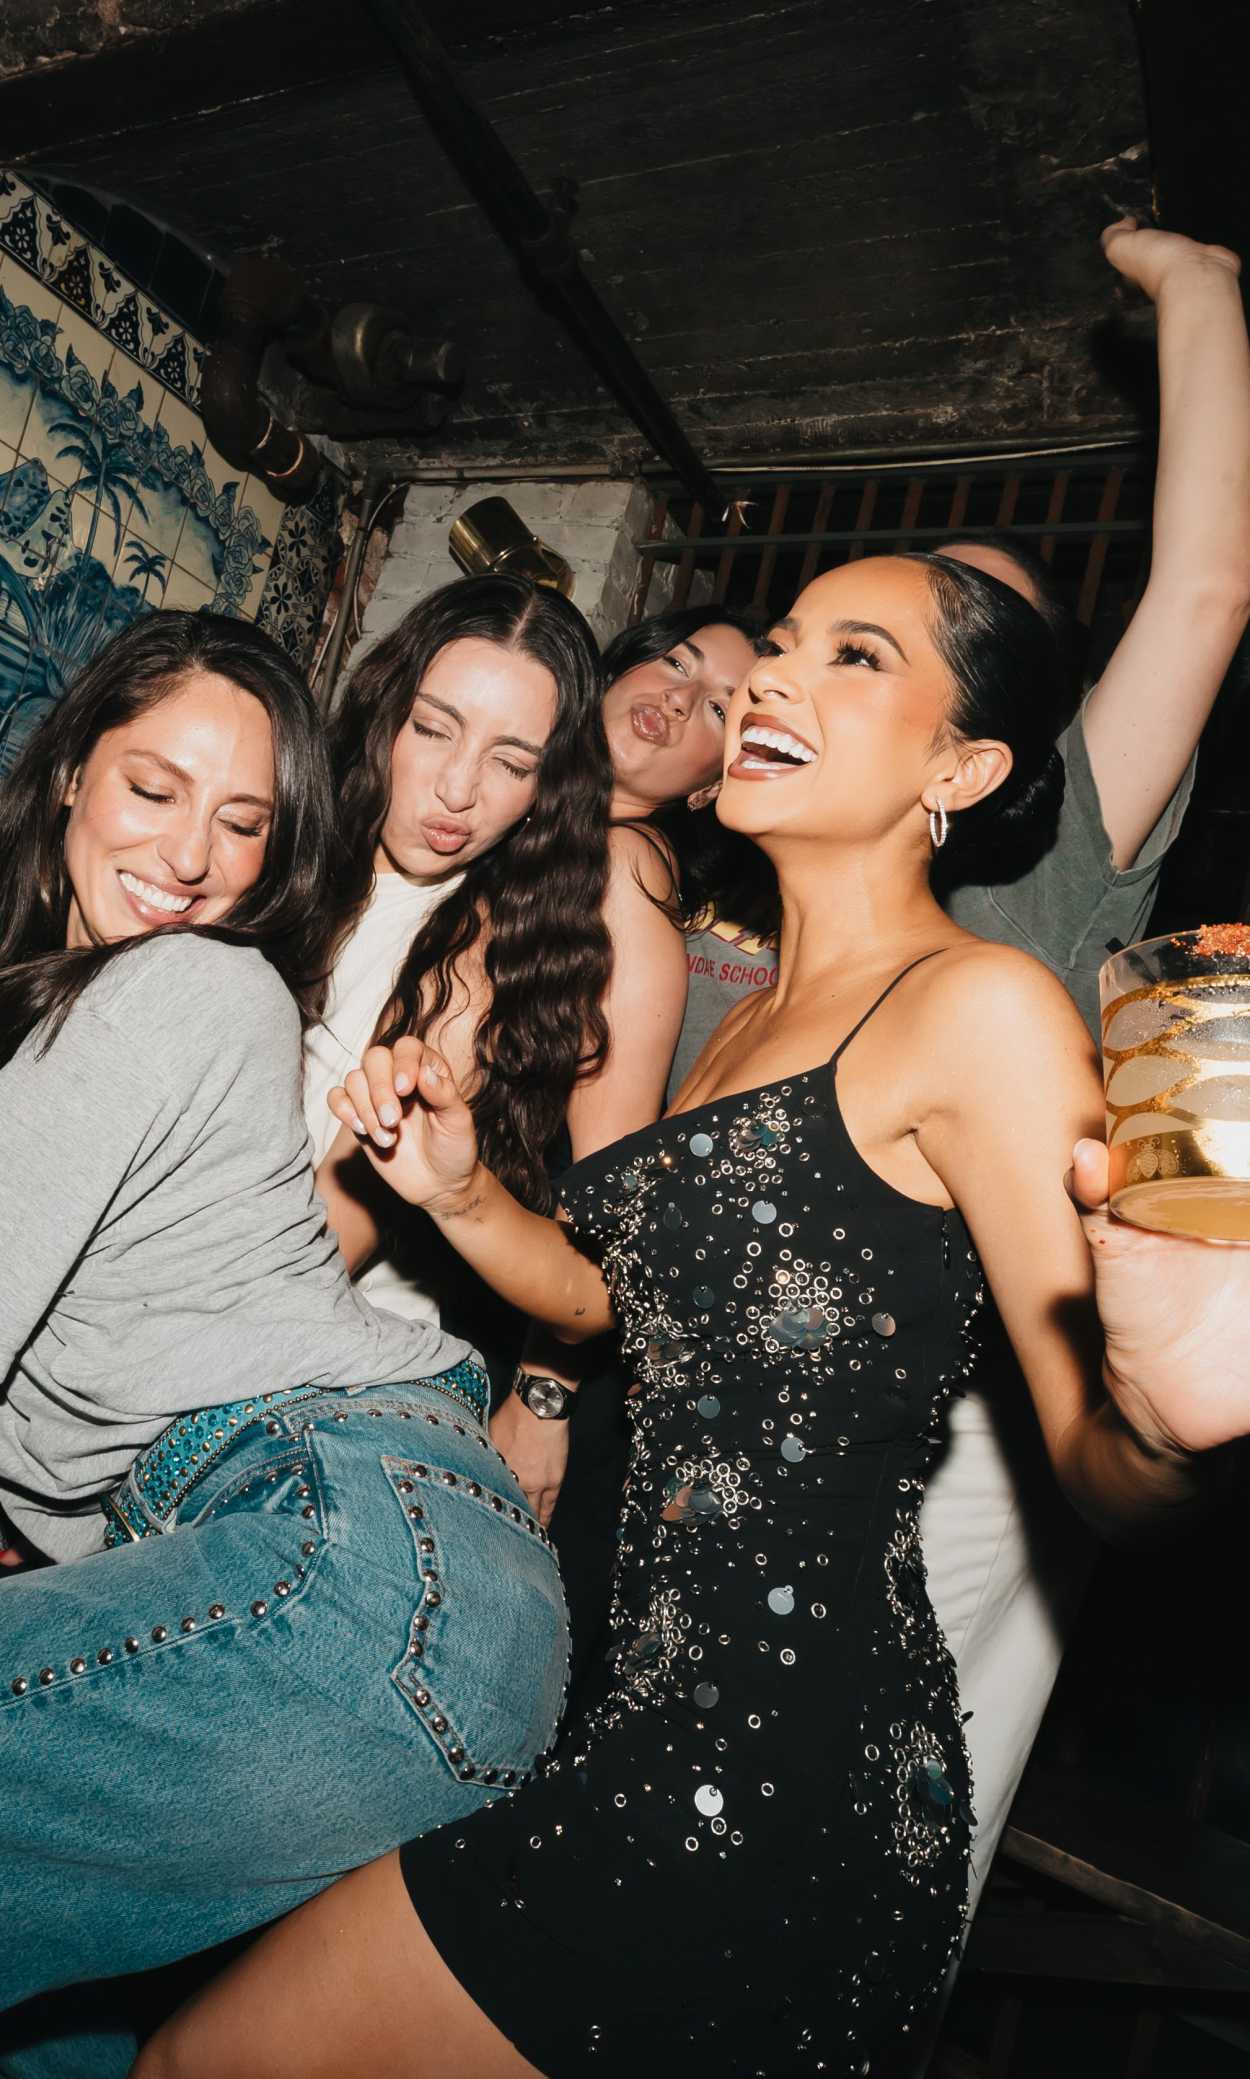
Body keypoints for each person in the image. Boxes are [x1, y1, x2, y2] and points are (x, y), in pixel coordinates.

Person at [137, 551, 1250, 2079]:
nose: (773, 675)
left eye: (855, 656)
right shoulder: (754, 1026)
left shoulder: (980, 1009)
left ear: (961, 769)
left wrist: (1171, 1421)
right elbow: (611, 1302)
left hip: (776, 1773)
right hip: (646, 1713)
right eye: (781, 642)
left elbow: (1098, 1468)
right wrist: (460, 1191)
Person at [505, 221, 1250, 1911]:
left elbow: (1206, 588)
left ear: (984, 747)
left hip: (940, 1413)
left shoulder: (1031, 900)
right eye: (810, 636)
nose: (805, 670)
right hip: (669, 1414)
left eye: (889, 646)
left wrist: (1196, 297)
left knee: (848, 1825)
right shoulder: (733, 912)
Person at [0, 613, 568, 2018]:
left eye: (242, 822)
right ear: (69, 771)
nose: (191, 855)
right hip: (399, 1600)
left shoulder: (192, 982)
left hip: (347, 1542)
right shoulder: (89, 1019)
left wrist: (548, 1390)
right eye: (154, 789)